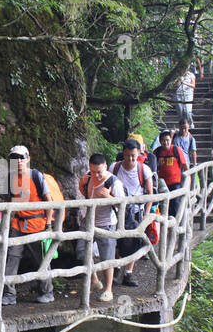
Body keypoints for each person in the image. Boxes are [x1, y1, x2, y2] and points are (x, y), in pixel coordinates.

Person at [2, 144, 58, 305]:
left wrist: (48, 224)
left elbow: (49, 201)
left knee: (41, 260)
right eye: (14, 158)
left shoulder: (36, 176)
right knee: (11, 258)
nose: (18, 161)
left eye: (21, 157)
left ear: (28, 159)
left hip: (38, 224)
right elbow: (7, 203)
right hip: (17, 225)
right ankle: (9, 294)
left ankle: (47, 291)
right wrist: (5, 224)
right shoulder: (10, 178)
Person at [79, 154, 125, 303]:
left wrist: (108, 197)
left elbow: (122, 204)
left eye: (99, 171)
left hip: (107, 223)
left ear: (105, 167)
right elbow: (85, 191)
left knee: (107, 259)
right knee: (82, 252)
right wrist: (83, 183)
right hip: (89, 221)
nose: (96, 175)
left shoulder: (113, 182)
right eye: (93, 171)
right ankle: (94, 280)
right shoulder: (88, 178)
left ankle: (108, 289)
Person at [112, 138, 155, 287]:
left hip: (137, 211)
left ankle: (128, 273)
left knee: (133, 242)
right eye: (128, 155)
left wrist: (146, 215)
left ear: (138, 154)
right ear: (123, 153)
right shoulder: (115, 168)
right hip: (118, 211)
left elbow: (150, 193)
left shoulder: (144, 170)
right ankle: (117, 269)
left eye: (134, 156)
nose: (130, 159)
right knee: (118, 240)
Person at [152, 129, 190, 223]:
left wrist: (188, 179)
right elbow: (153, 168)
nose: (165, 142)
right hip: (162, 183)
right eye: (163, 140)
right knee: (163, 204)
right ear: (160, 141)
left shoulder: (176, 150)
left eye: (167, 140)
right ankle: (165, 224)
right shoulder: (156, 152)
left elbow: (184, 165)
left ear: (170, 140)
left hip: (175, 182)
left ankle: (174, 223)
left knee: (175, 202)